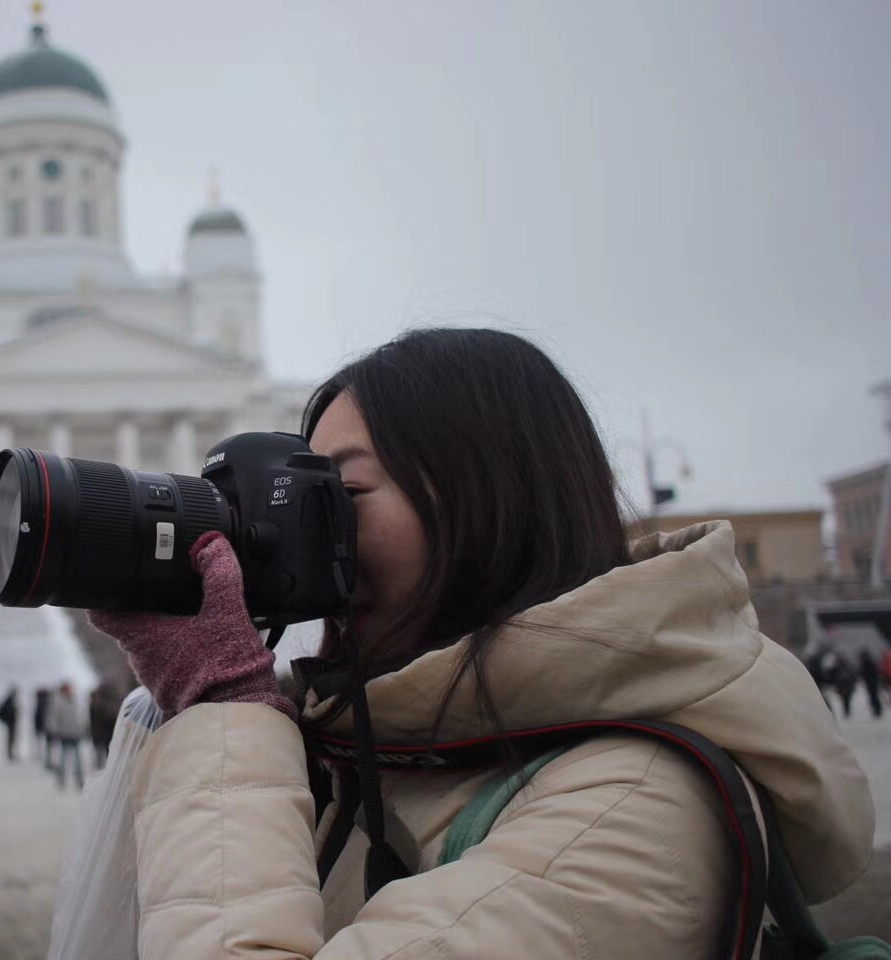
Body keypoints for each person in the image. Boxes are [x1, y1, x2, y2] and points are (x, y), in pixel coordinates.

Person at [86, 328, 873, 959]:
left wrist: (224, 707)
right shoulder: (392, 745)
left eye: (342, 495)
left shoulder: (631, 812)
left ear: (495, 503)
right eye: (297, 496)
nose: (302, 538)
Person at [47, 683, 84, 791]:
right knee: (63, 758)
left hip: (75, 734)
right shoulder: (58, 702)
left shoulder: (75, 701)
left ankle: (79, 779)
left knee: (78, 759)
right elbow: (53, 718)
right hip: (64, 734)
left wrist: (82, 729)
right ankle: (61, 778)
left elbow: (80, 717)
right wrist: (55, 731)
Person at [858, 648, 883, 719]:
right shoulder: (868, 663)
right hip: (871, 682)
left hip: (872, 682)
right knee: (873, 696)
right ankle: (876, 710)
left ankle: (877, 710)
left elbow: (868, 674)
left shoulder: (867, 663)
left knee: (874, 696)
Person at [0, 685, 19, 761]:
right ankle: (9, 754)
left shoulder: (11, 700)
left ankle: (10, 753)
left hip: (11, 723)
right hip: (10, 723)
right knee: (10, 739)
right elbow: (8, 712)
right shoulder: (9, 701)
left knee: (12, 739)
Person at [33, 687, 53, 770]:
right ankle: (47, 761)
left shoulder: (40, 702)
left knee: (46, 745)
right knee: (48, 746)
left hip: (44, 727)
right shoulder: (45, 703)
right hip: (46, 727)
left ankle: (46, 760)